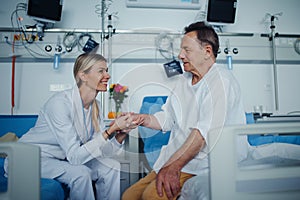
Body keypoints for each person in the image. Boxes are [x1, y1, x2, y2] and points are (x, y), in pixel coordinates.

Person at [122, 21, 247, 200]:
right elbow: (167, 118)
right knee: (129, 196)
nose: (180, 55)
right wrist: (143, 119)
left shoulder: (221, 82)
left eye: (187, 50)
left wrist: (173, 167)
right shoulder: (183, 81)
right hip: (176, 159)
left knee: (151, 196)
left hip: (204, 164)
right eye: (181, 50)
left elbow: (203, 134)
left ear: (207, 51)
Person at [5, 53, 140, 200]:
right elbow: (75, 158)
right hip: (31, 159)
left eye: (106, 70)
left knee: (111, 167)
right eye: (101, 71)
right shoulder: (59, 104)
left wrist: (120, 135)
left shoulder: (97, 107)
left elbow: (101, 153)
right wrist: (110, 130)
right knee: (81, 174)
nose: (107, 75)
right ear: (83, 75)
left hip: (63, 159)